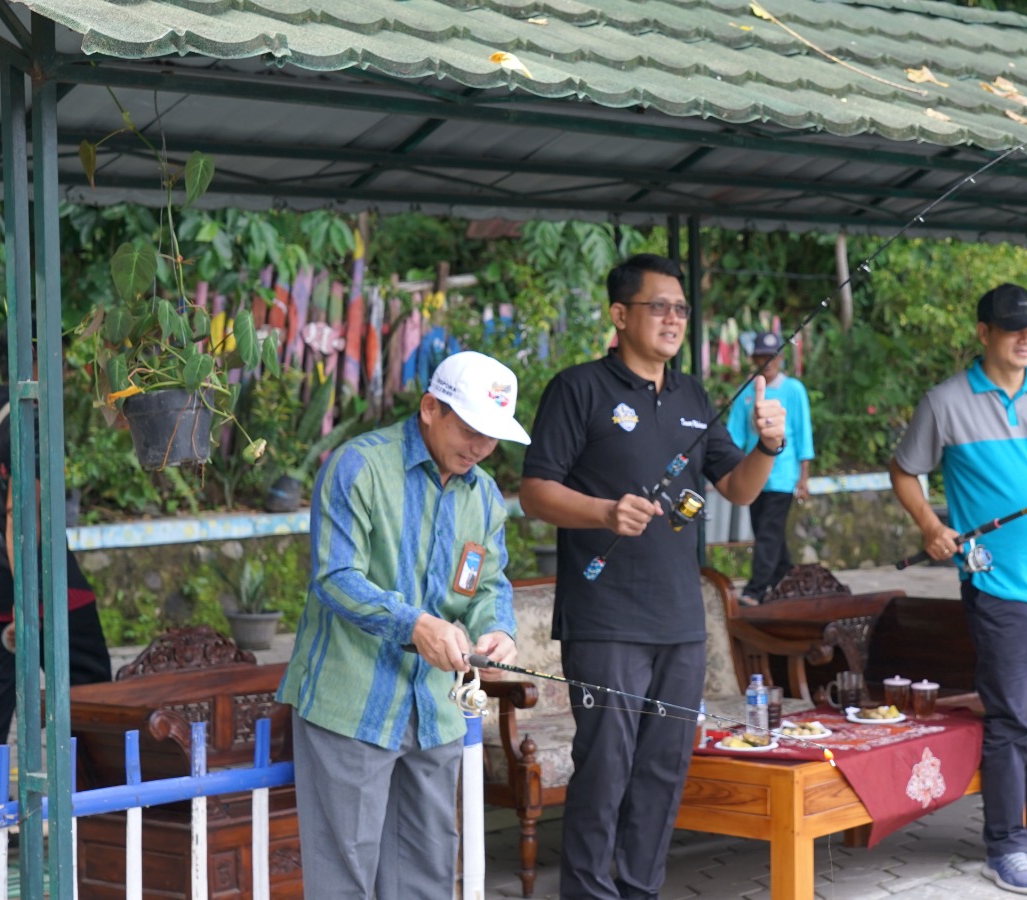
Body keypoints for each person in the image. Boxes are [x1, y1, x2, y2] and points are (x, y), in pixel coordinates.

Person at [520, 253, 786, 900]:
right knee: (606, 767)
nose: (672, 319)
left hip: (680, 620)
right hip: (606, 617)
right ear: (620, 314)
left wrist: (767, 447)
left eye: (680, 309)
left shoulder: (694, 395)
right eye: (657, 306)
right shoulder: (578, 388)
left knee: (664, 769)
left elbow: (738, 490)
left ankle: (641, 889)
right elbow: (534, 492)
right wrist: (604, 511)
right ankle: (587, 892)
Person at [277, 350, 525, 898]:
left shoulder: (483, 494)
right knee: (344, 879)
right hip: (351, 702)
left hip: (436, 708)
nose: (483, 448)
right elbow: (336, 576)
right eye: (471, 430)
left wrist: (498, 629)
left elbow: (487, 584)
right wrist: (416, 626)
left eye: (494, 436)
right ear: (431, 407)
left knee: (427, 876)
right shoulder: (357, 465)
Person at [890, 283, 1027, 895]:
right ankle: (1003, 846)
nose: (1026, 339)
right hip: (996, 586)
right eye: (1013, 329)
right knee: (1012, 719)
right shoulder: (946, 401)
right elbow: (905, 471)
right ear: (983, 332)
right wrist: (932, 526)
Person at [0, 332, 112, 825]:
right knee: (90, 678)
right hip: (33, 580)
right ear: (39, 363)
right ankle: (93, 801)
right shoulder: (32, 420)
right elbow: (18, 516)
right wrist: (29, 600)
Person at [728, 330, 815, 605]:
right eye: (762, 356)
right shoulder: (747, 391)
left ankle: (755, 590)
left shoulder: (793, 389)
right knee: (766, 532)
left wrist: (804, 476)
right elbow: (735, 435)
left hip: (782, 475)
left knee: (768, 532)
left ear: (780, 357)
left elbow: (803, 433)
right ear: (754, 358)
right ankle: (785, 581)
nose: (767, 361)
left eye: (772, 356)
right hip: (753, 478)